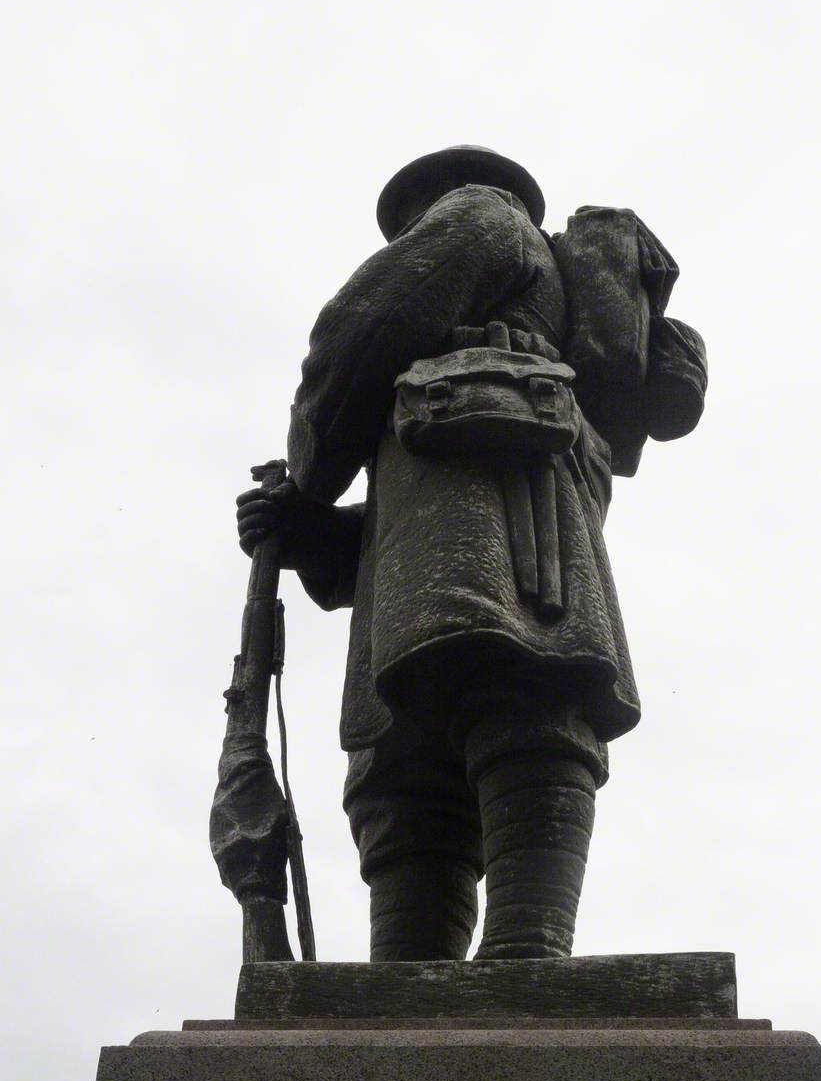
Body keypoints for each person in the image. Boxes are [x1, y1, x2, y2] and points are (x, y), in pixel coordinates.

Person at [230, 145, 706, 960]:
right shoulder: (495, 335)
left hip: (507, 531)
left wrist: (307, 479)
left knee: (519, 704)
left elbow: (358, 332)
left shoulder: (484, 215)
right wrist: (312, 532)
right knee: (410, 778)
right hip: (446, 548)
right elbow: (384, 534)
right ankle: (416, 984)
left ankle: (526, 952)